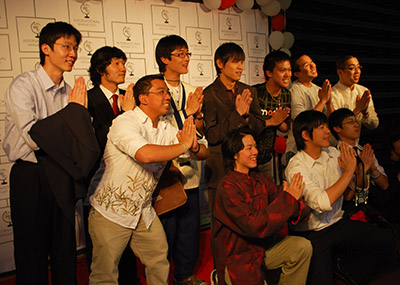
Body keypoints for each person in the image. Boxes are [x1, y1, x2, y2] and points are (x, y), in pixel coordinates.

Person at [3, 21, 100, 284]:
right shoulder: (24, 85)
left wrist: (76, 117)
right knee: (31, 249)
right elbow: (34, 138)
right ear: (46, 48)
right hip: (31, 175)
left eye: (75, 47)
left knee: (64, 245)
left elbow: (78, 142)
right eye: (66, 46)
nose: (73, 53)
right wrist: (73, 114)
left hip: (62, 173)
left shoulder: (71, 92)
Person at [88, 74, 208, 285]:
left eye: (168, 92)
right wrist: (184, 146)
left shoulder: (164, 128)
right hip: (110, 211)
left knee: (159, 260)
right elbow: (145, 154)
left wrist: (194, 146)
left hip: (143, 211)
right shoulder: (124, 122)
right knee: (105, 274)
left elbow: (203, 152)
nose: (167, 96)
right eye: (161, 92)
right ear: (143, 98)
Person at [285, 110, 395, 285]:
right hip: (314, 231)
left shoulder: (332, 153)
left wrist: (362, 170)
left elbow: (352, 194)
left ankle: (346, 270)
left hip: (338, 222)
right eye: (321, 128)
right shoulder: (296, 166)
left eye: (327, 126)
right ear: (305, 135)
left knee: (387, 241)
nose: (328, 131)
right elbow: (321, 202)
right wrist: (350, 170)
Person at [214, 127, 312, 285]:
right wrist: (289, 200)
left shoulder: (260, 180)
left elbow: (295, 208)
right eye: (249, 148)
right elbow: (253, 226)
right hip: (239, 258)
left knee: (302, 247)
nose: (255, 152)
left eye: (255, 147)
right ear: (234, 154)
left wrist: (293, 201)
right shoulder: (227, 187)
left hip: (263, 248)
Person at [202, 42, 265, 267]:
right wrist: (237, 115)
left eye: (242, 62)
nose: (240, 67)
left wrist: (246, 117)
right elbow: (212, 135)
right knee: (221, 226)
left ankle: (252, 268)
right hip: (220, 170)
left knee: (251, 219)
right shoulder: (209, 94)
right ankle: (222, 271)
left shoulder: (249, 90)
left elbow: (259, 125)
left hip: (247, 168)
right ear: (220, 64)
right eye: (235, 61)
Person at [155, 35, 209, 285]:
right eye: (180, 54)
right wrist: (187, 113)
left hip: (191, 169)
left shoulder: (191, 90)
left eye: (188, 54)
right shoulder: (155, 88)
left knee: (189, 229)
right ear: (165, 59)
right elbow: (158, 127)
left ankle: (185, 275)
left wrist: (196, 117)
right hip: (165, 172)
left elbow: (199, 126)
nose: (186, 59)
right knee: (166, 231)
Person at [87, 46, 138, 284]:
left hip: (128, 180)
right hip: (99, 180)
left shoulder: (130, 97)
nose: (122, 68)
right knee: (103, 245)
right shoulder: (88, 99)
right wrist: (123, 115)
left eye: (123, 63)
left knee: (127, 239)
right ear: (100, 69)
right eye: (116, 63)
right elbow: (93, 139)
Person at [328, 108, 389, 219]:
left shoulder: (364, 151)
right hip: (348, 211)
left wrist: (373, 168)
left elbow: (385, 185)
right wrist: (362, 169)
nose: (356, 125)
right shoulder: (335, 155)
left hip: (371, 206)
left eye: (356, 121)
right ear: (337, 128)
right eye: (350, 122)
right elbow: (347, 196)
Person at [284, 53, 334, 163]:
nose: (312, 66)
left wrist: (329, 103)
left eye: (312, 62)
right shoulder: (295, 90)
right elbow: (301, 123)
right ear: (297, 73)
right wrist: (322, 101)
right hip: (299, 149)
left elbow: (331, 120)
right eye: (307, 65)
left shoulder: (318, 89)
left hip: (318, 148)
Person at [252, 50, 291, 181]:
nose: (287, 75)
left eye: (289, 70)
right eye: (282, 70)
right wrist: (271, 121)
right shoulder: (255, 93)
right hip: (246, 156)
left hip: (266, 158)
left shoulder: (286, 94)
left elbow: (285, 128)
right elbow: (245, 125)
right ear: (269, 73)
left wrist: (279, 121)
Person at [331, 55, 379, 132]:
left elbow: (374, 125)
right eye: (351, 68)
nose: (357, 71)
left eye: (358, 67)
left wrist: (365, 113)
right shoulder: (332, 94)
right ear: (340, 72)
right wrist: (358, 109)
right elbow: (338, 127)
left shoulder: (363, 91)